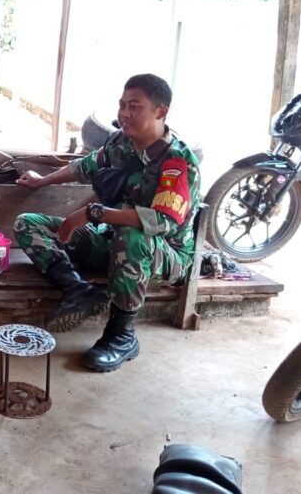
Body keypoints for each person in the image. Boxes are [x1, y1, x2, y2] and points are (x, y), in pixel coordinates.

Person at [14, 74, 201, 373]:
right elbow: (85, 166)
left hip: (164, 254)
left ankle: (121, 336)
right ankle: (78, 290)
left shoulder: (177, 162)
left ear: (161, 111)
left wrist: (94, 213)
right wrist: (42, 180)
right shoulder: (122, 142)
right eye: (122, 105)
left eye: (134, 106)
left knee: (132, 236)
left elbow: (160, 221)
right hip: (112, 240)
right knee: (29, 224)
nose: (124, 114)